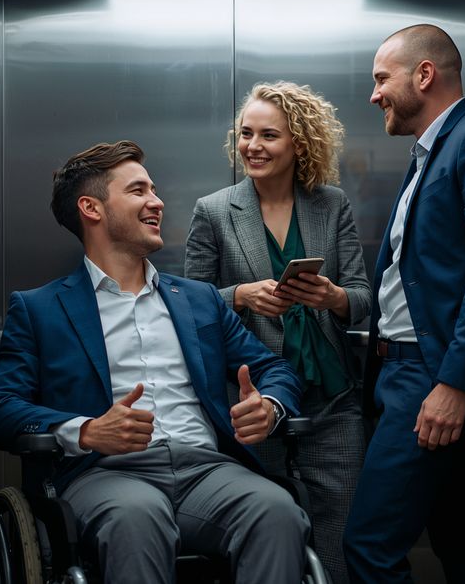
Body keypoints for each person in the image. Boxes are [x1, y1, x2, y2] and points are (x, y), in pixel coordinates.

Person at [0, 140, 310, 584]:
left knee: (276, 511)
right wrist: (88, 430)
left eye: (153, 190)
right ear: (91, 208)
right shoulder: (39, 309)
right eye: (138, 191)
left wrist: (269, 405)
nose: (157, 202)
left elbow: (275, 369)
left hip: (207, 471)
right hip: (107, 476)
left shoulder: (199, 300)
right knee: (137, 518)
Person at [185, 81, 370, 584]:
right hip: (250, 402)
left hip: (333, 401)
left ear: (299, 144)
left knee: (339, 538)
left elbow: (361, 297)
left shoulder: (331, 205)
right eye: (245, 134)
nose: (253, 146)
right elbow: (187, 307)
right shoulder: (214, 210)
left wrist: (331, 296)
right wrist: (240, 297)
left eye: (269, 135)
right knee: (265, 537)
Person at [342, 24, 465, 583]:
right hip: (403, 373)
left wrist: (455, 382)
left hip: (428, 377)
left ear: (424, 75)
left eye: (383, 78)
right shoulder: (430, 150)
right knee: (464, 549)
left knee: (368, 547)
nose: (374, 93)